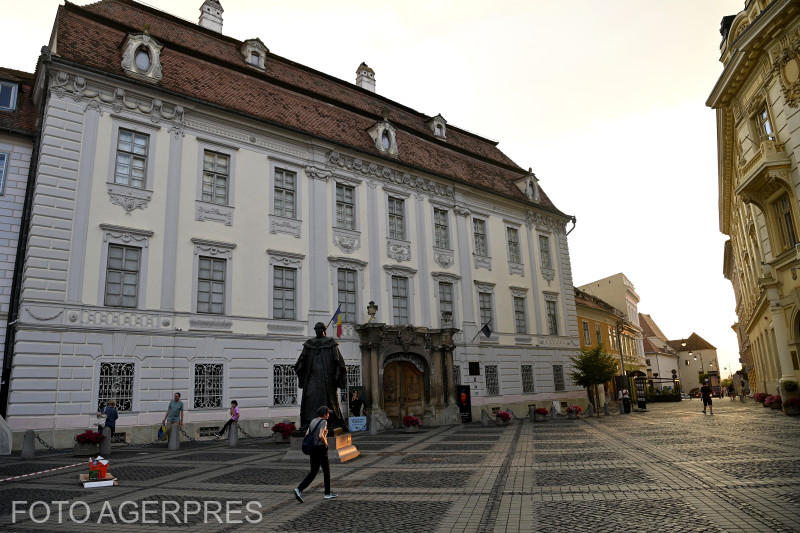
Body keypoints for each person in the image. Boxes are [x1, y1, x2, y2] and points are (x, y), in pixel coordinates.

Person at [294, 322, 347, 430]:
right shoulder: (309, 343)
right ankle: (309, 421)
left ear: (324, 330)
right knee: (310, 398)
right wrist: (299, 366)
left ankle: (331, 421)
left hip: (326, 379)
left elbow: (338, 361)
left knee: (328, 400)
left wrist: (337, 374)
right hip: (312, 377)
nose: (317, 331)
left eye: (319, 329)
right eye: (316, 329)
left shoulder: (331, 343)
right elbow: (302, 358)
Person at [294, 406, 337, 503]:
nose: (329, 415)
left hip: (312, 448)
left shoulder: (313, 421)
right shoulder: (324, 422)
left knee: (313, 471)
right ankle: (327, 493)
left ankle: (299, 489)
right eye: (328, 413)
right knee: (326, 471)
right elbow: (320, 435)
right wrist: (326, 443)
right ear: (325, 414)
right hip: (320, 448)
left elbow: (307, 434)